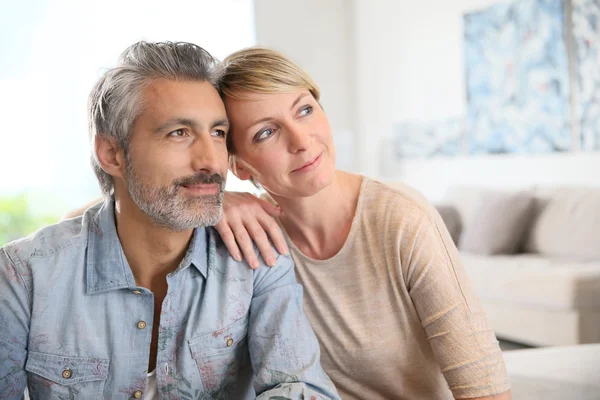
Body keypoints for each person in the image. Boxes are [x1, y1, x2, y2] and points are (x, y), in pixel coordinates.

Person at [0, 41, 339, 400]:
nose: (211, 160)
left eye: (218, 133)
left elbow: (300, 390)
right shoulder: (24, 276)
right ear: (112, 153)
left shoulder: (256, 258)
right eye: (180, 133)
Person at [214, 47, 512, 400]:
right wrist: (213, 203)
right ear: (240, 166)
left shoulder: (401, 217)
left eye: (305, 111)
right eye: (266, 132)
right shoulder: (248, 236)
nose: (301, 140)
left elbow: (485, 389)